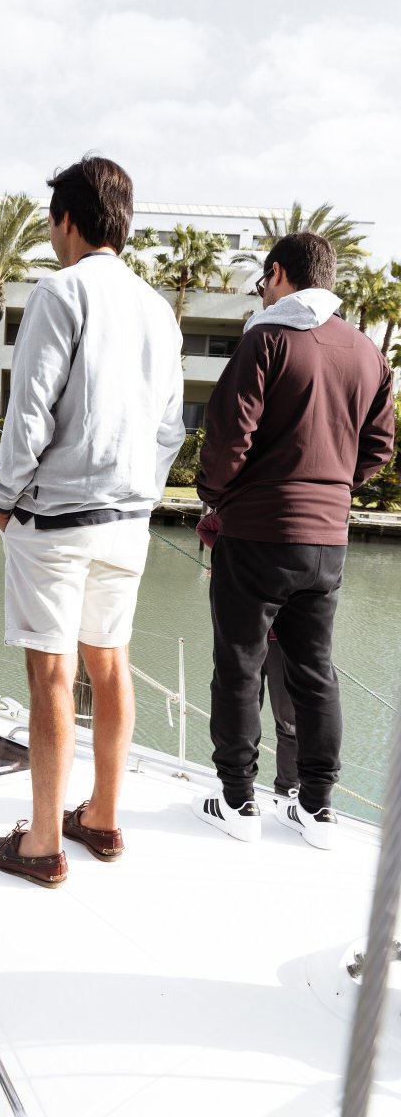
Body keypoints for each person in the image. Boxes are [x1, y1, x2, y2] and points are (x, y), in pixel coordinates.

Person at [0, 155, 185, 887]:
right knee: (110, 663)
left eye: (50, 218)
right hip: (128, 521)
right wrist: (141, 491)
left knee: (52, 675)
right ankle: (102, 816)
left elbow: (29, 411)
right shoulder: (159, 311)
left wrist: (5, 495)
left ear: (67, 219)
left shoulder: (59, 293)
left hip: (56, 520)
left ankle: (41, 842)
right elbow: (170, 429)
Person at [193, 232, 395, 848]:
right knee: (315, 672)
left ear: (278, 274)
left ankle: (236, 800)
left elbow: (228, 440)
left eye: (262, 281)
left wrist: (216, 498)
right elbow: (381, 447)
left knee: (239, 666)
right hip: (327, 541)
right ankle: (317, 807)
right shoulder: (366, 351)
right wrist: (335, 488)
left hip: (257, 533)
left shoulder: (267, 339)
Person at [198, 511, 298, 796]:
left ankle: (287, 790)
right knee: (243, 710)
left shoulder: (296, 518)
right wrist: (226, 555)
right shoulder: (244, 506)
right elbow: (205, 526)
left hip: (284, 639)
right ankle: (240, 789)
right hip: (245, 634)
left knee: (288, 719)